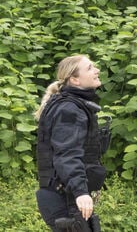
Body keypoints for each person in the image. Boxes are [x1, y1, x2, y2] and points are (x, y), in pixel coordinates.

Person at [35, 55, 111, 232]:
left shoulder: (73, 105)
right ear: (75, 79)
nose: (97, 70)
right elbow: (67, 154)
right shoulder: (69, 109)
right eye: (90, 68)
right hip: (63, 197)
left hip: (66, 195)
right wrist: (81, 192)